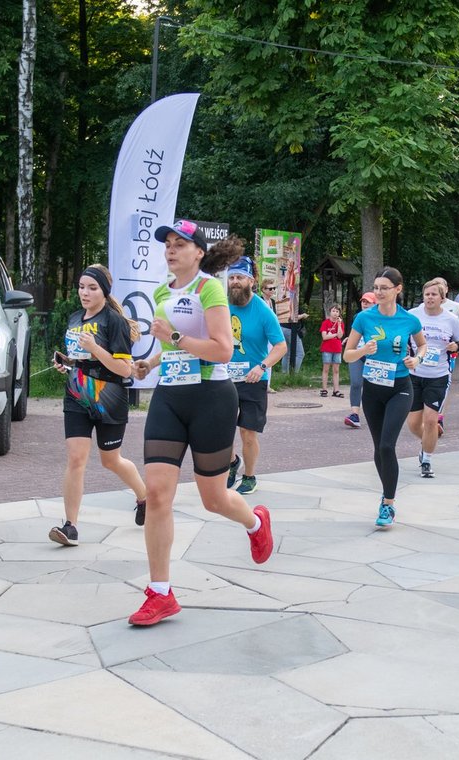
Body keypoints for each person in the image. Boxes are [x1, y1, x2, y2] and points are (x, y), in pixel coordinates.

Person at [128, 220, 274, 626]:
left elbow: (222, 350)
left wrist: (172, 338)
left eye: (180, 244)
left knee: (214, 498)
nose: (171, 250)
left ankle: (255, 521)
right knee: (157, 495)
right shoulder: (162, 291)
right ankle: (160, 593)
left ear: (198, 252)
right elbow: (169, 343)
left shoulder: (210, 288)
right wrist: (150, 362)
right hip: (170, 397)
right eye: (168, 245)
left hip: (211, 398)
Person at [48, 264, 148, 545]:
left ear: (104, 291)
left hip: (109, 399)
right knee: (76, 458)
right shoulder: (74, 318)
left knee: (110, 460)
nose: (85, 292)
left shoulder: (114, 321)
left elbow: (125, 369)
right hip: (77, 396)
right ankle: (70, 526)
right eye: (81, 286)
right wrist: (65, 363)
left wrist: (94, 349)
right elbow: (79, 358)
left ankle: (144, 497)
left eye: (92, 287)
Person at [343, 267, 426, 526]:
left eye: (384, 288)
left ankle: (388, 504)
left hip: (400, 387)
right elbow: (347, 354)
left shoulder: (409, 320)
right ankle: (386, 494)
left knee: (388, 445)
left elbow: (422, 344)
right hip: (372, 390)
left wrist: (417, 358)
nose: (378, 292)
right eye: (376, 287)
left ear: (397, 290)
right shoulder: (363, 318)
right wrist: (363, 350)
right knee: (379, 448)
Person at [225, 252, 287, 495]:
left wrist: (261, 366)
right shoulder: (221, 305)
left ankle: (249, 476)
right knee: (222, 428)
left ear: (251, 281)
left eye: (240, 277)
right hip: (224, 378)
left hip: (253, 379)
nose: (235, 282)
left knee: (247, 432)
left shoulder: (263, 311)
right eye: (231, 278)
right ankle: (232, 463)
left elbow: (281, 346)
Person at [408, 279, 459, 477]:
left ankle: (426, 458)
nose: (430, 297)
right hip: (414, 375)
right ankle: (428, 440)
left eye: (434, 294)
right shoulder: (412, 315)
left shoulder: (450, 319)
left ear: (442, 298)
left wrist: (457, 346)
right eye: (427, 294)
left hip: (438, 375)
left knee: (431, 420)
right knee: (414, 424)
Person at [434, 277, 459, 436]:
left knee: (444, 383)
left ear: (446, 289)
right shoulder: (424, 306)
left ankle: (439, 417)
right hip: (427, 354)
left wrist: (455, 341)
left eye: (441, 286)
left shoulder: (454, 307)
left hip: (448, 353)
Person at [344, 291, 376, 428]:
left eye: (368, 302)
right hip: (358, 352)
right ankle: (355, 414)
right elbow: (354, 333)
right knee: (356, 383)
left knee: (373, 386)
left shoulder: (380, 318)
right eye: (363, 301)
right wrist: (348, 339)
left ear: (375, 304)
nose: (365, 304)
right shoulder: (358, 316)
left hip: (373, 355)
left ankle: (375, 414)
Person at [319, 303, 345, 397]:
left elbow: (340, 335)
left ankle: (336, 390)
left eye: (337, 311)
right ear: (330, 312)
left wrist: (338, 324)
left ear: (339, 313)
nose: (335, 313)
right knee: (326, 369)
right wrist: (334, 335)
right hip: (327, 348)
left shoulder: (340, 323)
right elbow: (325, 337)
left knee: (336, 370)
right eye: (333, 311)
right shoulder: (325, 323)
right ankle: (324, 389)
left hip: (337, 348)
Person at [259, 278, 280, 393]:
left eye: (273, 288)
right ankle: (260, 382)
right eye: (270, 288)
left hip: (270, 333)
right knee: (261, 357)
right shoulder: (259, 300)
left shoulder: (272, 302)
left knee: (271, 358)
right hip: (261, 332)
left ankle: (267, 384)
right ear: (263, 290)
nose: (272, 290)